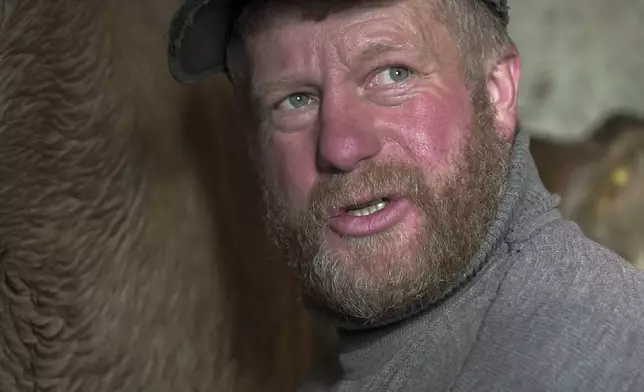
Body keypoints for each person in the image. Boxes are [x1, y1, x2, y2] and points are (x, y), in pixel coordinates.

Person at [167, 0, 644, 390]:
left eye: (393, 74)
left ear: (497, 93)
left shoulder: (606, 356)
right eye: (295, 99)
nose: (340, 146)